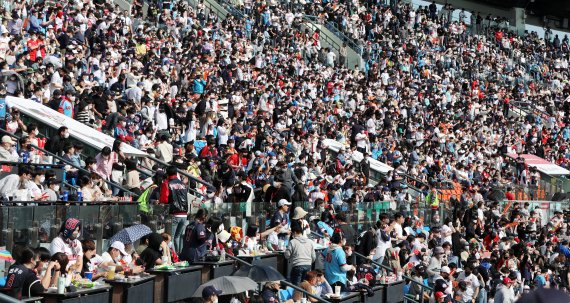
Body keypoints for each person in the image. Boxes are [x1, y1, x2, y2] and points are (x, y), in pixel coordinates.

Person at [159, 165, 189, 252]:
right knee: (178, 237)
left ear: (167, 174)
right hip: (184, 214)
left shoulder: (166, 183)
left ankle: (173, 258)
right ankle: (179, 257)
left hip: (173, 214)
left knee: (170, 238)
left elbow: (164, 199)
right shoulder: (183, 184)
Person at [285, 220, 316, 286]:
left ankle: (297, 296)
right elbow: (313, 257)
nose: (292, 235)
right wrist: (309, 261)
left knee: (296, 287)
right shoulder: (309, 241)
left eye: (292, 233)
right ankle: (304, 296)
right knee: (305, 285)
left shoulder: (293, 242)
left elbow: (287, 255)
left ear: (295, 232)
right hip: (308, 266)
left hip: (297, 265)